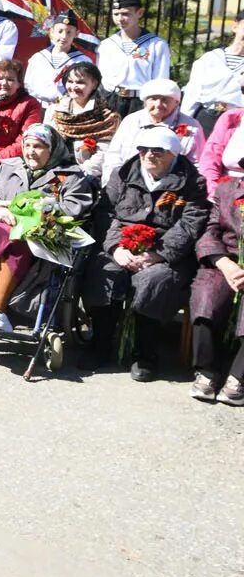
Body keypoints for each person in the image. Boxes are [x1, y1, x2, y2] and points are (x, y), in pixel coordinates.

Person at [83, 124, 213, 380]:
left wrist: (159, 254)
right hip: (121, 243)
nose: (149, 155)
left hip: (165, 250)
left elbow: (191, 223)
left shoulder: (192, 182)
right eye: (144, 149)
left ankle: (145, 353)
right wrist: (115, 247)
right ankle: (100, 345)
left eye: (158, 150)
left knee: (156, 281)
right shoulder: (124, 174)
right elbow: (106, 212)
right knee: (103, 271)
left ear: (173, 154)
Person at [0, 123, 100, 338]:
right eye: (27, 145)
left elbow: (72, 210)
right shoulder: (9, 167)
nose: (30, 151)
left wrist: (23, 213)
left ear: (53, 149)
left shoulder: (71, 176)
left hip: (41, 237)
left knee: (16, 235)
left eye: (38, 146)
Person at [189, 121, 244, 403]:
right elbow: (209, 232)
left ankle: (238, 377)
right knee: (206, 300)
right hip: (226, 261)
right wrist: (224, 262)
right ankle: (207, 372)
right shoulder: (226, 191)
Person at [95, 78, 207, 179]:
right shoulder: (131, 121)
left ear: (177, 102)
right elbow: (114, 158)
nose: (158, 104)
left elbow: (198, 165)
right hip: (129, 183)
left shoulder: (192, 126)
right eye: (153, 99)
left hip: (175, 187)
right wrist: (110, 186)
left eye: (165, 100)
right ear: (145, 101)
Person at [96, 0, 174, 122]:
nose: (120, 19)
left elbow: (160, 80)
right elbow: (102, 78)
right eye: (116, 14)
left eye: (125, 14)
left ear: (139, 13)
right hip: (111, 101)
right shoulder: (107, 45)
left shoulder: (156, 45)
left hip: (140, 102)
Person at [45, 56, 120, 168]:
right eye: (70, 81)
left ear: (94, 84)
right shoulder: (54, 110)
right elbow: (45, 143)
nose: (74, 87)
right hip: (54, 169)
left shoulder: (107, 116)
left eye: (80, 82)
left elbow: (103, 154)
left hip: (88, 174)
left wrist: (80, 175)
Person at [182, 15, 244, 130]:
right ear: (235, 26)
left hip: (238, 121)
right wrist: (183, 125)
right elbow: (192, 94)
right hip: (208, 117)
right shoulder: (210, 59)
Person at [22, 9, 85, 108]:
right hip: (36, 107)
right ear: (52, 31)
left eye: (69, 32)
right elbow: (28, 85)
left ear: (76, 34)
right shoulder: (39, 58)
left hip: (66, 109)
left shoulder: (82, 62)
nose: (64, 36)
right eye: (60, 31)